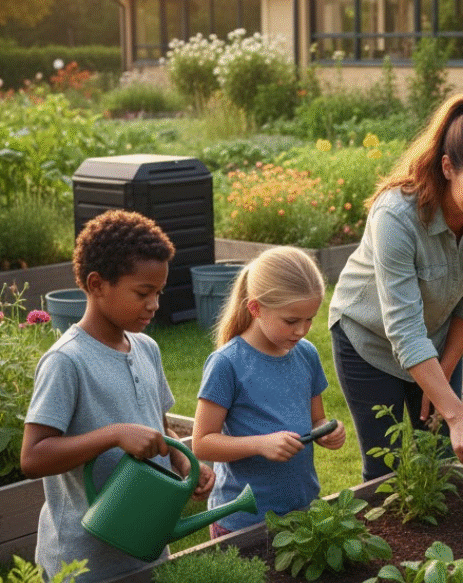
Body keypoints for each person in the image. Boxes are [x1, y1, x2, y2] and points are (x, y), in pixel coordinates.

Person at [329, 93, 463, 481]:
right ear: (448, 167)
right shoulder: (396, 217)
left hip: (436, 342)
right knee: (385, 469)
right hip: (369, 340)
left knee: (441, 462)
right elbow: (403, 329)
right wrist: (458, 413)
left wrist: (443, 378)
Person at [21, 210, 215, 582]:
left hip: (146, 542)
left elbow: (159, 428)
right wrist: (113, 434)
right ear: (97, 284)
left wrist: (182, 461)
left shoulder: (146, 349)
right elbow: (32, 458)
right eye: (142, 293)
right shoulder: (67, 361)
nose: (154, 304)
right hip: (84, 560)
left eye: (158, 292)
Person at [192, 246, 346, 538]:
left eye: (310, 319)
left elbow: (316, 419)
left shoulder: (307, 355)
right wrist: (260, 444)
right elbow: (202, 443)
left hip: (302, 510)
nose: (302, 330)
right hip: (243, 519)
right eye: (291, 321)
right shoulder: (227, 364)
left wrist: (326, 432)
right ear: (255, 308)